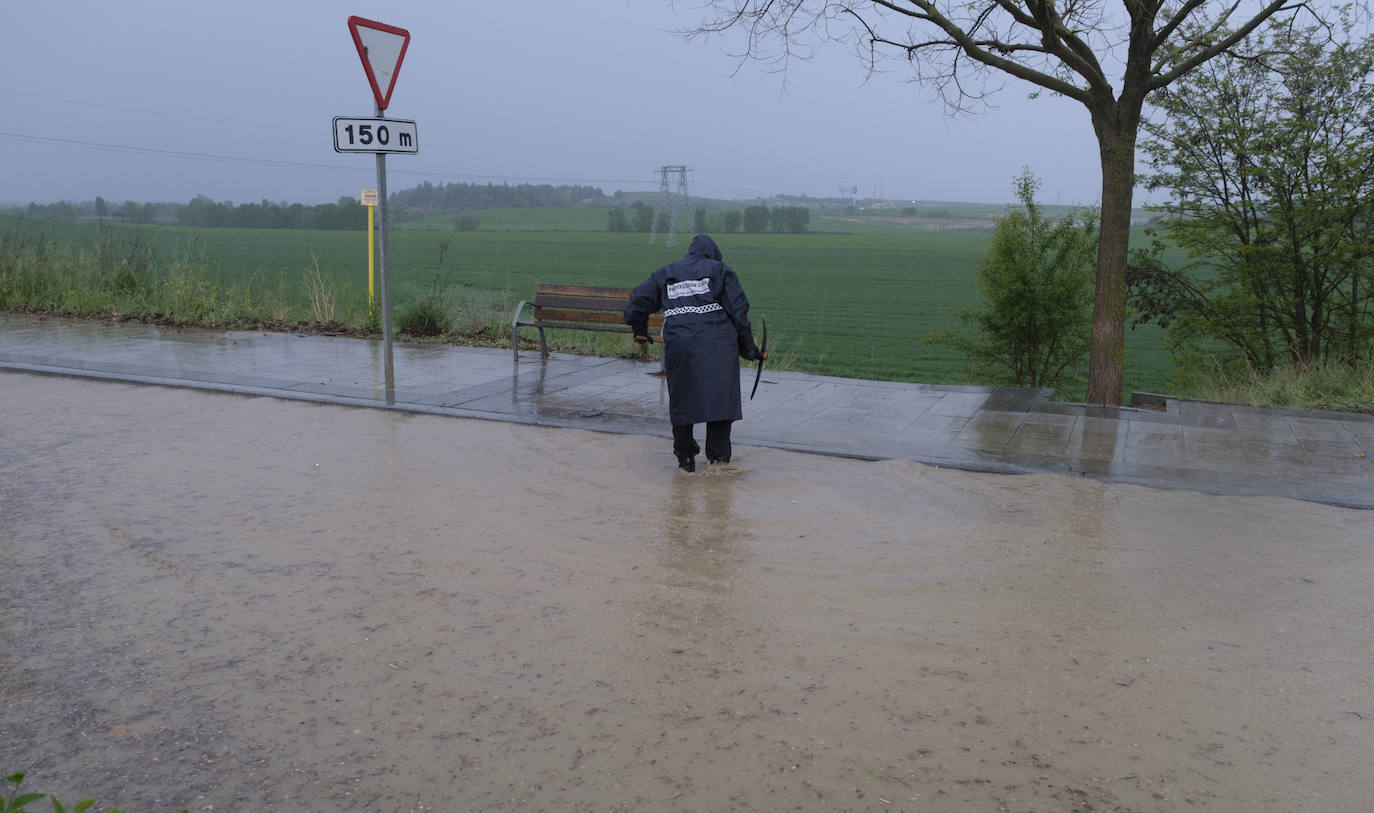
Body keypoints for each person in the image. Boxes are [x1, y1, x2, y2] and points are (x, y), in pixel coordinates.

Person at [624, 234, 763, 473]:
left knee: (682, 401)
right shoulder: (721, 271)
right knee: (720, 403)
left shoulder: (667, 272)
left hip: (680, 346)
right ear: (714, 254)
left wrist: (640, 331)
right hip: (718, 345)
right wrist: (749, 349)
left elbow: (637, 303)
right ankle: (718, 465)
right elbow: (739, 314)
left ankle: (685, 461)